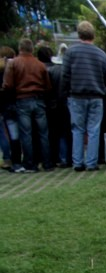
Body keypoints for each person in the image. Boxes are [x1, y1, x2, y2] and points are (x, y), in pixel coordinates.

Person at [62, 21, 106, 172]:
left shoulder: (70, 52)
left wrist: (66, 91)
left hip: (76, 95)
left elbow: (65, 75)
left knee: (77, 129)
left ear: (79, 34)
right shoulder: (101, 54)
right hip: (96, 95)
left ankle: (77, 162)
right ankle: (91, 162)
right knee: (94, 129)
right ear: (93, 35)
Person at [2, 38, 53, 172]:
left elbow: (8, 85)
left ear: (20, 48)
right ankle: (47, 163)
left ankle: (30, 163)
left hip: (22, 100)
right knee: (43, 133)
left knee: (26, 134)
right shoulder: (40, 65)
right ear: (32, 49)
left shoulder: (14, 63)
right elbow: (48, 86)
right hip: (39, 100)